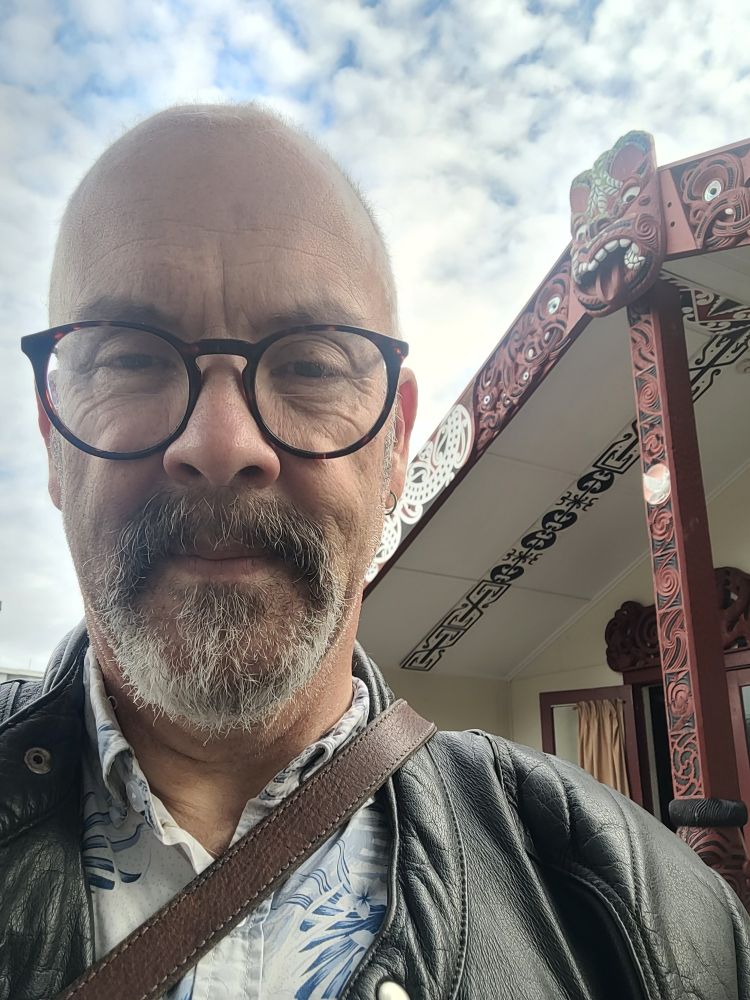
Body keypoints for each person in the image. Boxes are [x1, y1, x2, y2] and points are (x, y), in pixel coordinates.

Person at [0, 104, 747, 1000]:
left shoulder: (652, 921)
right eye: (130, 358)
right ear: (51, 434)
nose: (224, 440)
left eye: (310, 365)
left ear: (396, 446)